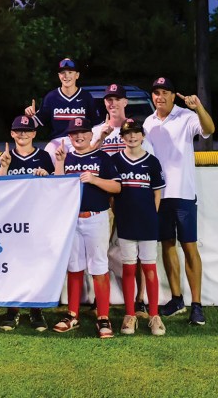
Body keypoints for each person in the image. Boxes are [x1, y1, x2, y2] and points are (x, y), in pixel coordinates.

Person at [143, 77, 215, 326]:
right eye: (156, 92)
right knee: (167, 245)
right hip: (160, 194)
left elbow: (209, 130)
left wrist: (199, 108)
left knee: (189, 247)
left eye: (164, 92)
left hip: (183, 193)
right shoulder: (148, 122)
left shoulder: (185, 116)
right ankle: (177, 298)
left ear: (174, 95)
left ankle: (197, 304)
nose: (159, 97)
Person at [53, 117, 121, 339]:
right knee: (74, 267)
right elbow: (57, 188)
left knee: (99, 267)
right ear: (69, 137)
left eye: (83, 132)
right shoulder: (66, 156)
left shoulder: (102, 157)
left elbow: (117, 186)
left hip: (96, 217)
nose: (79, 136)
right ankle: (72, 314)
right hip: (72, 219)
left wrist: (94, 180)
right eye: (74, 133)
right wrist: (59, 164)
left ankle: (103, 316)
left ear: (91, 135)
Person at [91, 83, 154, 319]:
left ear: (125, 102)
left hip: (131, 199)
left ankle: (141, 300)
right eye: (109, 99)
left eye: (117, 99)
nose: (112, 103)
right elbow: (87, 157)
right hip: (105, 198)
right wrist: (101, 138)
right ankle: (100, 300)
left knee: (136, 252)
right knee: (101, 250)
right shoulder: (98, 130)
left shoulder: (136, 131)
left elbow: (150, 164)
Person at [0, 115, 54, 332]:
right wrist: (3, 168)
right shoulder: (6, 156)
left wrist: (46, 176)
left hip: (37, 218)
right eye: (18, 130)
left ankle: (35, 309)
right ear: (12, 133)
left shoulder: (44, 156)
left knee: (35, 263)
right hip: (13, 219)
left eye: (26, 130)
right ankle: (12, 310)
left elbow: (55, 188)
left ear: (34, 134)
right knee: (13, 264)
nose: (22, 134)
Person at [113, 119, 166, 336]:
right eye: (128, 134)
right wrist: (119, 215)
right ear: (122, 138)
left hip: (147, 223)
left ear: (142, 136)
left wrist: (151, 216)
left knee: (149, 268)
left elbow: (157, 193)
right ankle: (130, 314)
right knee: (128, 268)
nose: (132, 137)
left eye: (136, 133)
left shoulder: (152, 161)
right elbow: (112, 195)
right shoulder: (115, 161)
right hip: (126, 221)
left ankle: (154, 314)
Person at [25, 57, 99, 164]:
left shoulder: (85, 97)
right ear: (59, 76)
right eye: (63, 72)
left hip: (80, 139)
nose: (66, 76)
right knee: (47, 157)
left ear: (77, 75)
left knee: (78, 163)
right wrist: (29, 116)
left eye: (70, 72)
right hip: (58, 140)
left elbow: (96, 124)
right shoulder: (51, 97)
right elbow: (36, 122)